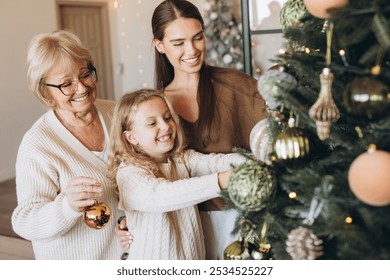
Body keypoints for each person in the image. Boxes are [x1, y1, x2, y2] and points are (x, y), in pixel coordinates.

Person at [151, 0, 267, 259]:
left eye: (198, 38)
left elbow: (276, 137)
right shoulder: (155, 106)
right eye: (178, 43)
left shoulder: (236, 85)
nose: (191, 50)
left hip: (243, 222)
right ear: (160, 46)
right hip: (183, 227)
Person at [11, 30, 132, 259]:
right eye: (66, 83)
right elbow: (25, 220)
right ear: (46, 94)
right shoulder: (37, 144)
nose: (82, 88)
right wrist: (67, 206)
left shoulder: (116, 112)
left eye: (85, 74)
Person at [108, 89, 245, 260]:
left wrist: (257, 160)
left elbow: (216, 162)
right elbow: (161, 195)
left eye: (167, 117)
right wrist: (220, 181)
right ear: (131, 137)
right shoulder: (129, 173)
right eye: (152, 123)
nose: (165, 126)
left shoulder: (181, 160)